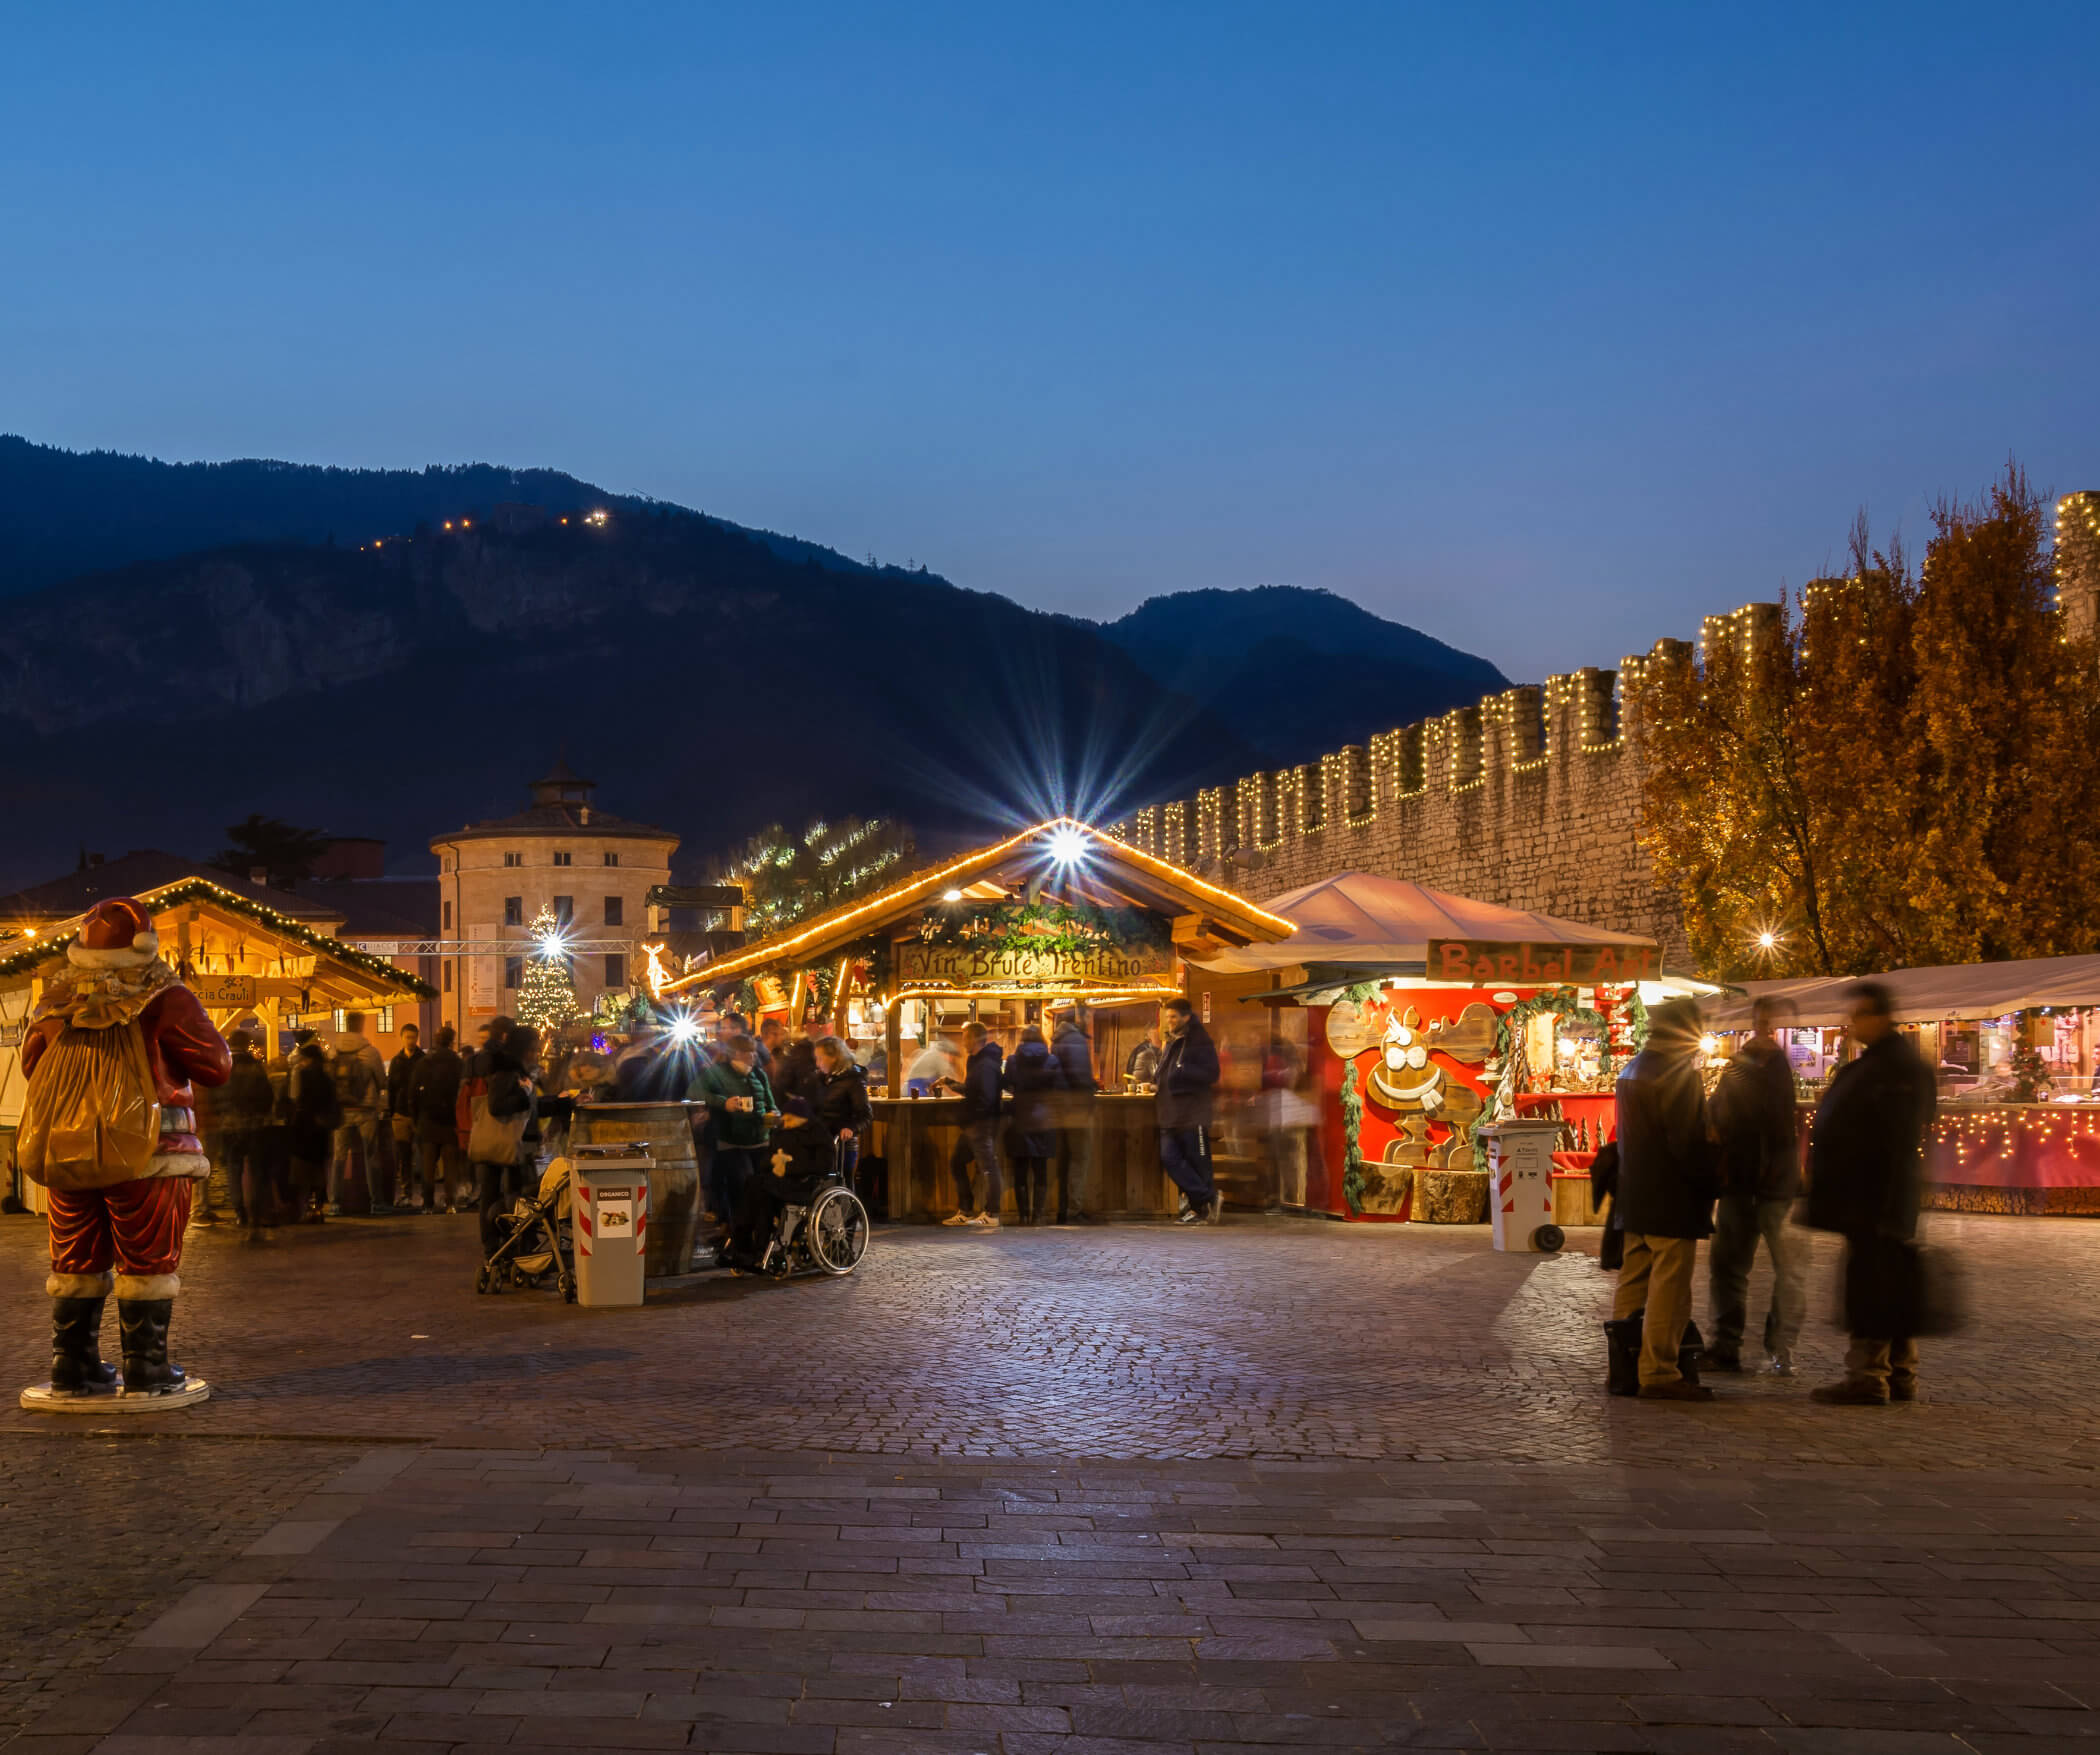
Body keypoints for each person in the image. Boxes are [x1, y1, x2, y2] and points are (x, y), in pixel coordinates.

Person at [15, 895, 232, 1405]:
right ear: (146, 943)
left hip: (69, 1150)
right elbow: (216, 1066)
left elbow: (31, 1066)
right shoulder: (166, 997)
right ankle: (146, 1367)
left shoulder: (56, 999)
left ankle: (72, 1365)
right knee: (148, 1260)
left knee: (75, 1260)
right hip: (152, 1152)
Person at [1805, 981, 1938, 1406]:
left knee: (1874, 1287)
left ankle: (1868, 1376)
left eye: (1859, 1014)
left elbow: (1892, 1139)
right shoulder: (1886, 1064)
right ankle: (1900, 1374)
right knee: (1890, 1283)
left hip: (1876, 1198)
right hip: (1874, 1197)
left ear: (1879, 1016)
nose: (1852, 1022)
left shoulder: (1893, 1069)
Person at [1607, 997, 1719, 1401]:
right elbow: (1687, 1143)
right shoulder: (1678, 1075)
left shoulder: (1633, 1068)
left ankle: (1623, 1364)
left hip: (1635, 1194)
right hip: (1671, 1197)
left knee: (1634, 1282)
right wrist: (1712, 1177)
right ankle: (1658, 1370)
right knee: (1670, 1288)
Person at [1704, 998, 1806, 1375]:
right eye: (1762, 1021)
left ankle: (1773, 1347)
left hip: (1765, 1184)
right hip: (1752, 1182)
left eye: (1771, 1021)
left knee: (1781, 1272)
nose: (1765, 1027)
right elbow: (1723, 1111)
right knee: (1732, 1268)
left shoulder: (1764, 1065)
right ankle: (1735, 1345)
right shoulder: (1746, 1065)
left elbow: (1728, 1113)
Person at [722, 1095, 834, 1271]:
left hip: (802, 1184)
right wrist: (774, 1161)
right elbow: (765, 1161)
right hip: (776, 1182)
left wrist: (788, 1167)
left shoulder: (818, 1134)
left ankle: (755, 1249)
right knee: (754, 1188)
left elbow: (823, 1165)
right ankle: (742, 1247)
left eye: (790, 1119)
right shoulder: (781, 1133)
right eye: (785, 1118)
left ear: (802, 1118)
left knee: (761, 1190)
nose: (786, 1122)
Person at [694, 1034, 778, 1229]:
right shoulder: (717, 1072)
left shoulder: (758, 1073)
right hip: (731, 1141)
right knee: (741, 1186)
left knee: (761, 1187)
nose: (754, 1056)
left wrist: (774, 1113)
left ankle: (759, 1232)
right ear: (737, 1053)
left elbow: (770, 1101)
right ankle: (739, 1232)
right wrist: (724, 1103)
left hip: (760, 1140)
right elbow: (694, 1092)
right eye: (750, 1052)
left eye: (755, 1052)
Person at [1156, 997, 1222, 1224]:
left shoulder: (1199, 1040)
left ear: (1186, 1017)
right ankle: (1207, 1197)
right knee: (1169, 1158)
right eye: (1167, 1017)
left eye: (1173, 1017)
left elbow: (1212, 1073)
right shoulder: (1172, 1040)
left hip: (1193, 1113)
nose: (1169, 1021)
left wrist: (1181, 1072)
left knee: (1198, 1161)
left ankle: (1199, 1209)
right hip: (1170, 1114)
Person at [473, 1023, 536, 1256]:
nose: (535, 1054)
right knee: (500, 1196)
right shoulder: (508, 1071)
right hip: (502, 1143)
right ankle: (496, 1249)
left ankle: (501, 1247)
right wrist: (524, 1094)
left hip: (505, 1142)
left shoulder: (514, 1069)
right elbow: (496, 1105)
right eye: (532, 1049)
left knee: (499, 1195)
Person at [938, 1022, 1005, 1227]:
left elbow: (983, 1096)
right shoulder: (977, 1061)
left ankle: (992, 1214)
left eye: (965, 1037)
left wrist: (973, 1115)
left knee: (989, 1168)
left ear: (975, 1039)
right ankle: (966, 1211)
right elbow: (972, 1089)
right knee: (958, 1162)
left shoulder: (985, 1065)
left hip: (981, 1122)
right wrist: (950, 1082)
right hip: (973, 1123)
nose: (963, 1041)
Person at [216, 1028, 280, 1240]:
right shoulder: (255, 1066)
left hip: (229, 1125)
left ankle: (239, 1212)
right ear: (246, 1044)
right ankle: (255, 1210)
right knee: (256, 1170)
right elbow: (267, 1095)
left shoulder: (224, 1066)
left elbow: (218, 1095)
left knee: (233, 1170)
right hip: (254, 1125)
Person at [325, 1011, 389, 1216]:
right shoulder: (370, 1052)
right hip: (366, 1109)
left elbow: (328, 1078)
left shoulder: (334, 1049)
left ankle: (335, 1202)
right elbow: (381, 1079)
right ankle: (376, 1201)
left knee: (339, 1157)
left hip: (341, 1109)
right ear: (361, 1025)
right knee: (371, 1156)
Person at [1002, 1025, 1063, 1225]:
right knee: (1040, 1170)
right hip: (1043, 1119)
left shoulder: (1012, 1060)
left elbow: (1007, 1084)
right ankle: (1037, 1216)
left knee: (1020, 1171)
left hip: (1020, 1117)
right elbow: (1060, 1087)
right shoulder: (1052, 1060)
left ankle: (1023, 1216)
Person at [407, 1025, 466, 1213]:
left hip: (427, 1120)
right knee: (450, 1166)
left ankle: (428, 1204)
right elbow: (463, 1093)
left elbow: (413, 1093)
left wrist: (416, 1118)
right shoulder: (457, 1063)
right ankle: (450, 1203)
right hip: (450, 1121)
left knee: (428, 1166)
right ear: (451, 1041)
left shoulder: (425, 1062)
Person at [1050, 1008, 1098, 1222]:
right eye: (1088, 1016)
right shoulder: (1075, 1040)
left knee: (1065, 1160)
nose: (1090, 1020)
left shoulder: (1058, 1039)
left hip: (1061, 1107)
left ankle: (1063, 1209)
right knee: (1080, 1158)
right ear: (1078, 1017)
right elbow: (1079, 1075)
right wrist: (1090, 1092)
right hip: (1077, 1107)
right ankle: (1073, 1210)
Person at [287, 1040, 342, 1223]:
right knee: (319, 1170)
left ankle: (303, 1209)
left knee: (302, 1171)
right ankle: (317, 1209)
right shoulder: (326, 1078)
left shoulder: (300, 1075)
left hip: (303, 1127)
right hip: (321, 1129)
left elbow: (294, 1098)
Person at [810, 1035, 872, 1186]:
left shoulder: (853, 1080)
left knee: (842, 1184)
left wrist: (850, 1128)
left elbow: (865, 1114)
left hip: (842, 1145)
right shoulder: (821, 1079)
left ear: (835, 1057)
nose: (817, 1064)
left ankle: (847, 1209)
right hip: (821, 1143)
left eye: (820, 1058)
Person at [385, 1023, 424, 1205]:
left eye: (413, 1037)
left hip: (419, 1114)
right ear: (402, 1038)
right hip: (400, 1113)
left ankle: (425, 1193)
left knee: (423, 1155)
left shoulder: (423, 1059)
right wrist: (392, 1111)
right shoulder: (396, 1061)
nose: (410, 1041)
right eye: (407, 1037)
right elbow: (391, 1088)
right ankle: (406, 1192)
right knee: (404, 1155)